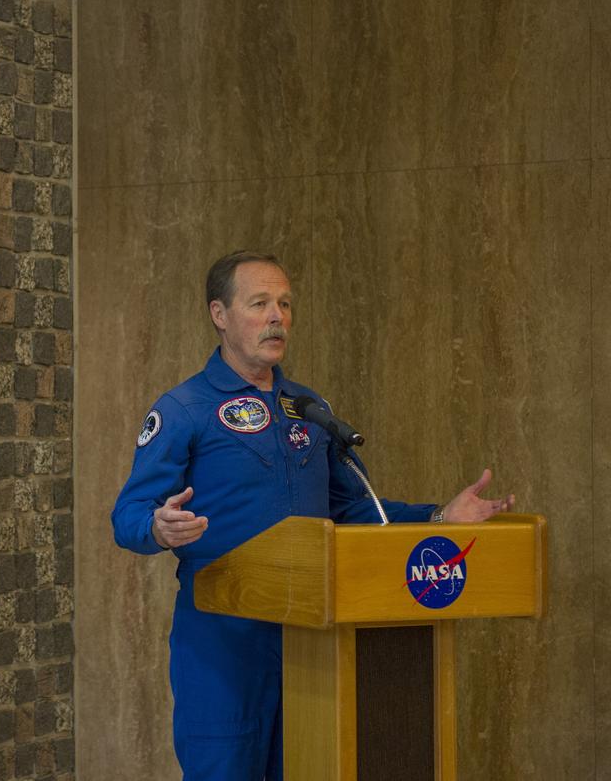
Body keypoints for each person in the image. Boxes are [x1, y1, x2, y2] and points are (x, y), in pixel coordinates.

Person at [110, 250, 516, 781]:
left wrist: (440, 515)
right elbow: (129, 516)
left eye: (284, 303)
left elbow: (352, 509)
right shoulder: (185, 408)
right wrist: (159, 527)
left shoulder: (308, 407)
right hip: (224, 642)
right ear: (219, 314)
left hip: (311, 641)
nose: (277, 315)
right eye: (259, 303)